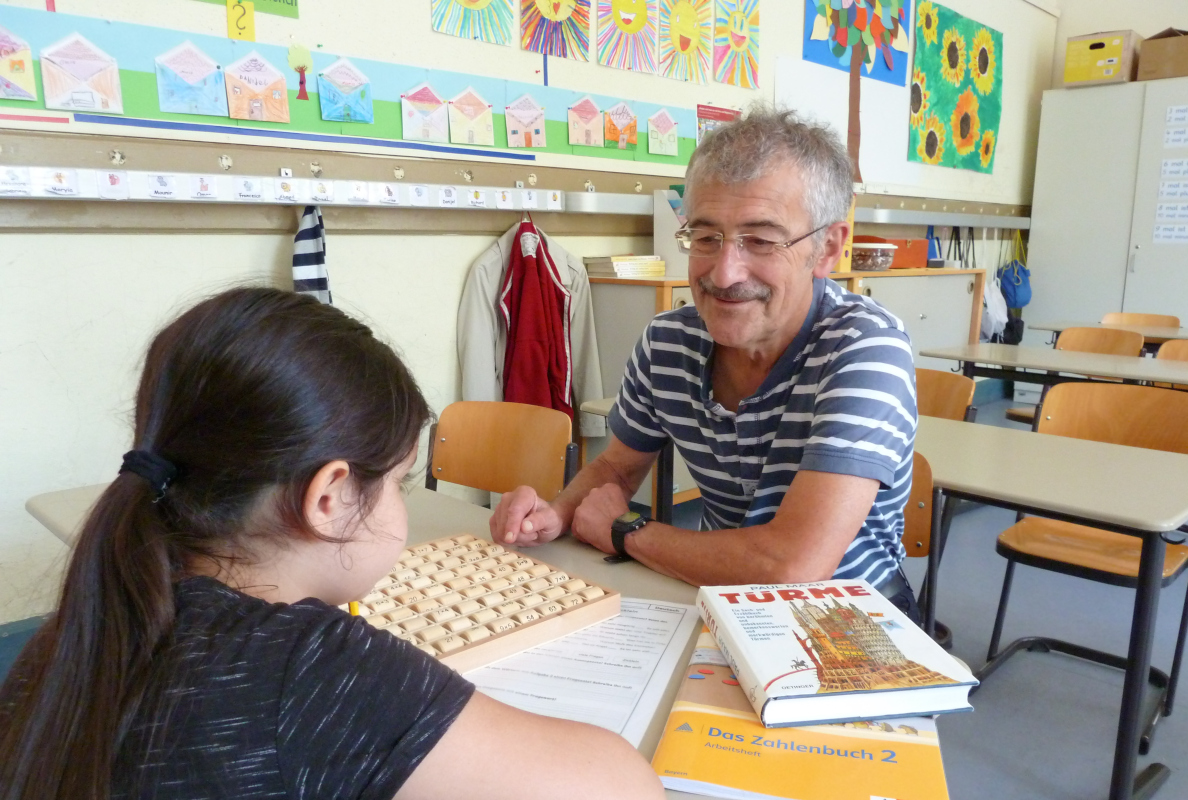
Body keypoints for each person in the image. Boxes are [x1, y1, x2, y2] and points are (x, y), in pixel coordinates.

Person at [0, 288, 662, 800]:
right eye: (399, 481)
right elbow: (625, 786)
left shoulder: (73, 633)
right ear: (330, 497)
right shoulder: (310, 669)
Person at [491, 107, 919, 619]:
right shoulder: (668, 341)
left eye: (761, 240)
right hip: (717, 600)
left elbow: (792, 567)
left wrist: (627, 531)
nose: (724, 271)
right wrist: (556, 515)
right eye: (706, 237)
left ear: (826, 249)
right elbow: (615, 467)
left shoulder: (865, 349)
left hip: (852, 622)